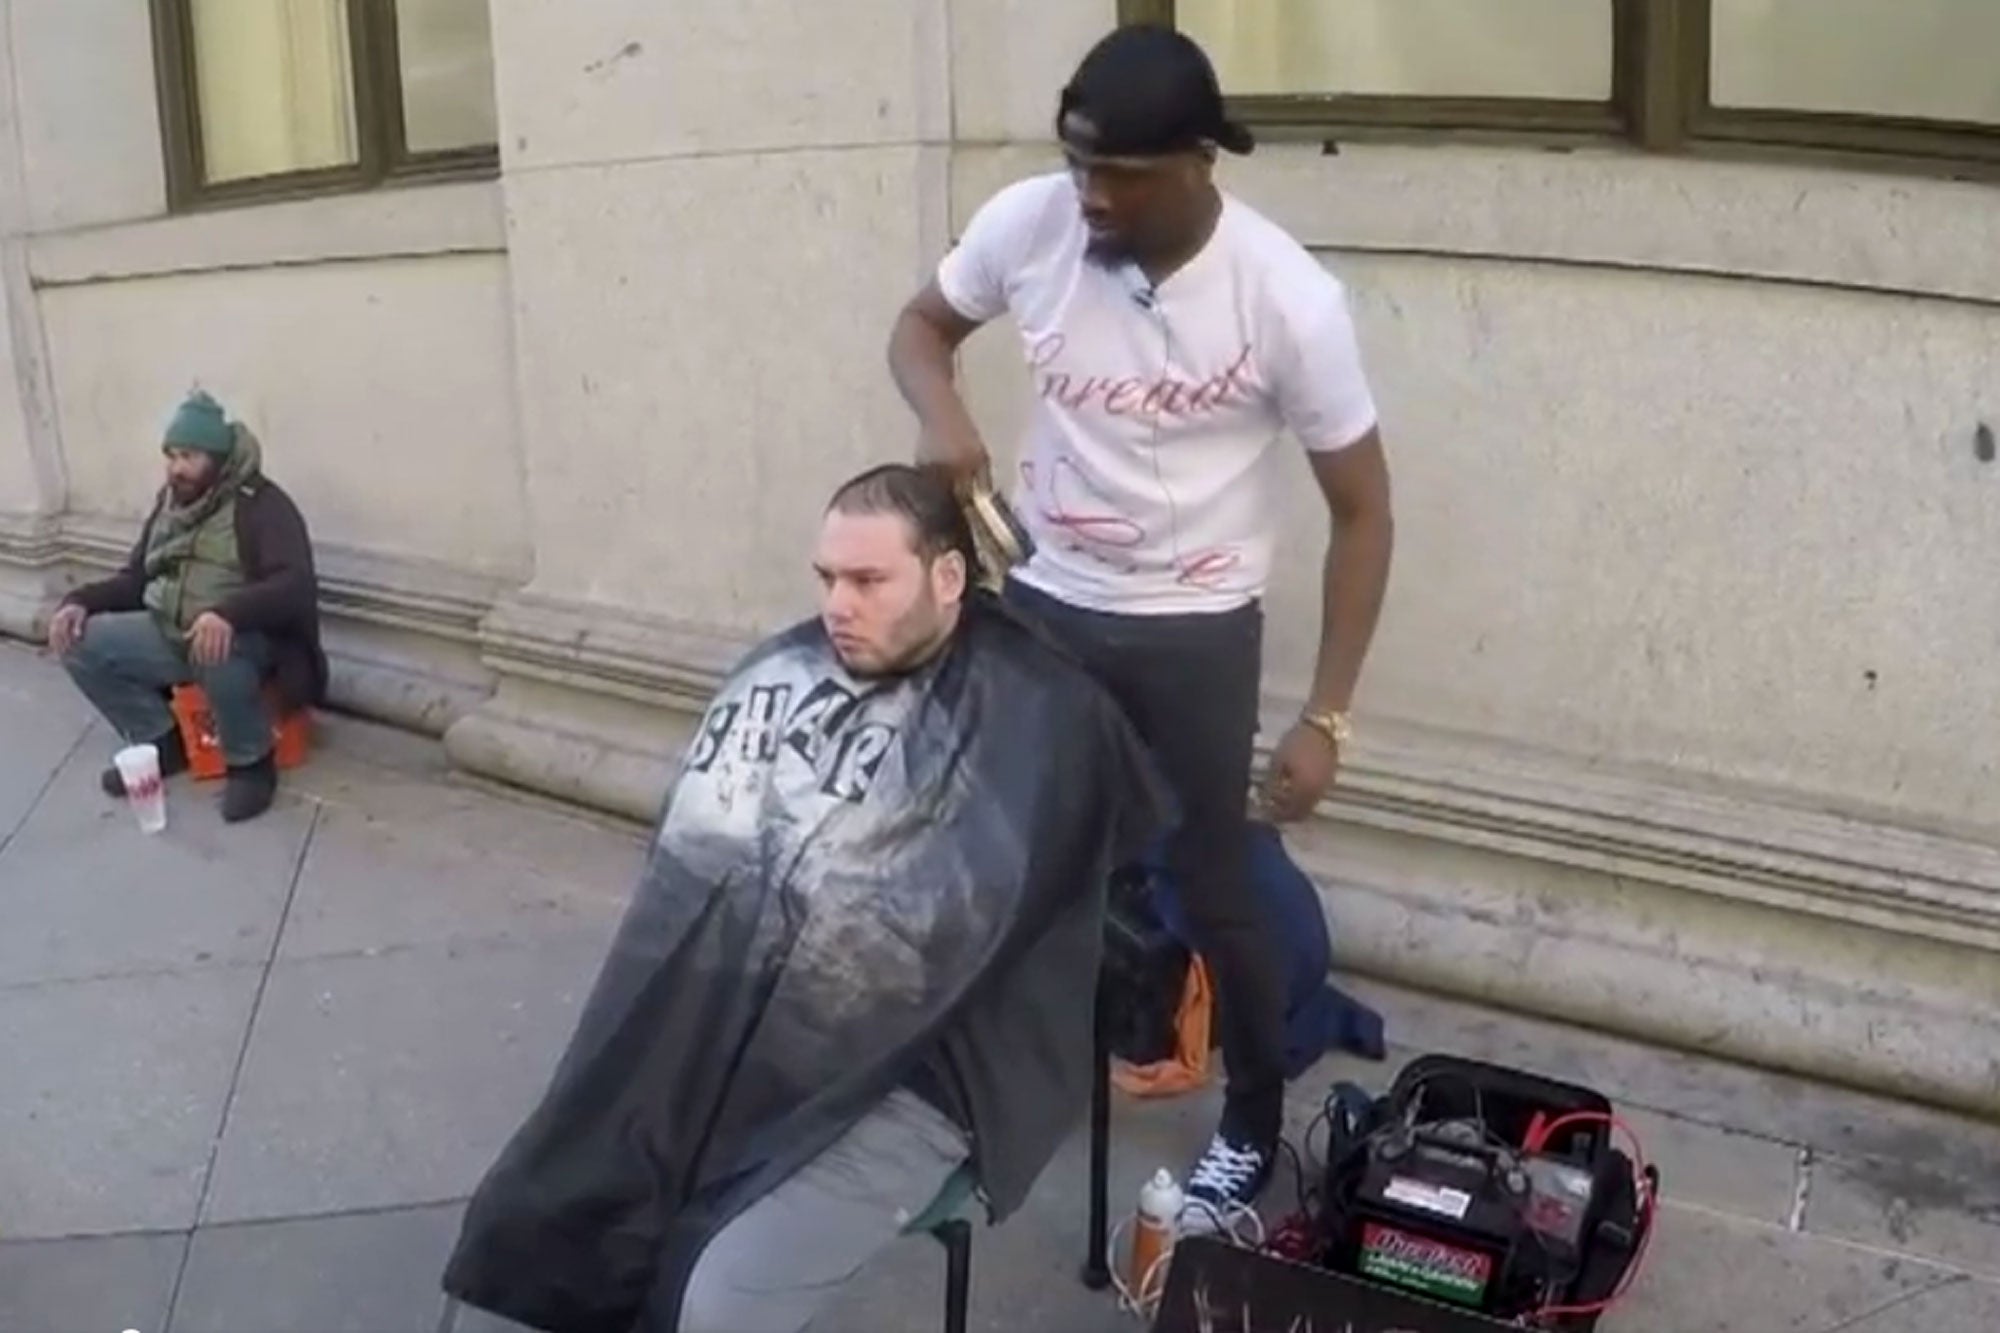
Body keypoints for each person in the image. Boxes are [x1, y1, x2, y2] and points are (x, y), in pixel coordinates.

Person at [441, 464, 1169, 1333]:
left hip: (934, 1063)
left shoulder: (1041, 719)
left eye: (868, 580)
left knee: (718, 1302)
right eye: (827, 578)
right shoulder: (786, 670)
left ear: (946, 577)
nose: (838, 606)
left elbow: (961, 925)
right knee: (551, 1210)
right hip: (741, 1016)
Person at [885, 23, 1396, 1218]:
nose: (1088, 196)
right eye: (1076, 166)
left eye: (1116, 175)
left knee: (1213, 887)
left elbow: (1363, 514)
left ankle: (1253, 1119)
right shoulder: (1030, 224)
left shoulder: (1287, 299)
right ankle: (988, 1085)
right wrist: (943, 413)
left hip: (1195, 625)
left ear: (1196, 162)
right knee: (1010, 859)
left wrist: (1327, 716)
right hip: (1049, 597)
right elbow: (919, 329)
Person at [46, 389, 326, 824]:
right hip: (172, 627)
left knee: (213, 644)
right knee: (79, 642)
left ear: (218, 458)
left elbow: (294, 585)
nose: (177, 468)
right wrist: (80, 603)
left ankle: (251, 763)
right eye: (171, 456)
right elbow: (137, 577)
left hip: (250, 640)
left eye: (189, 456)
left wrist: (228, 614)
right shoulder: (170, 502)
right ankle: (162, 741)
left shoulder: (262, 505)